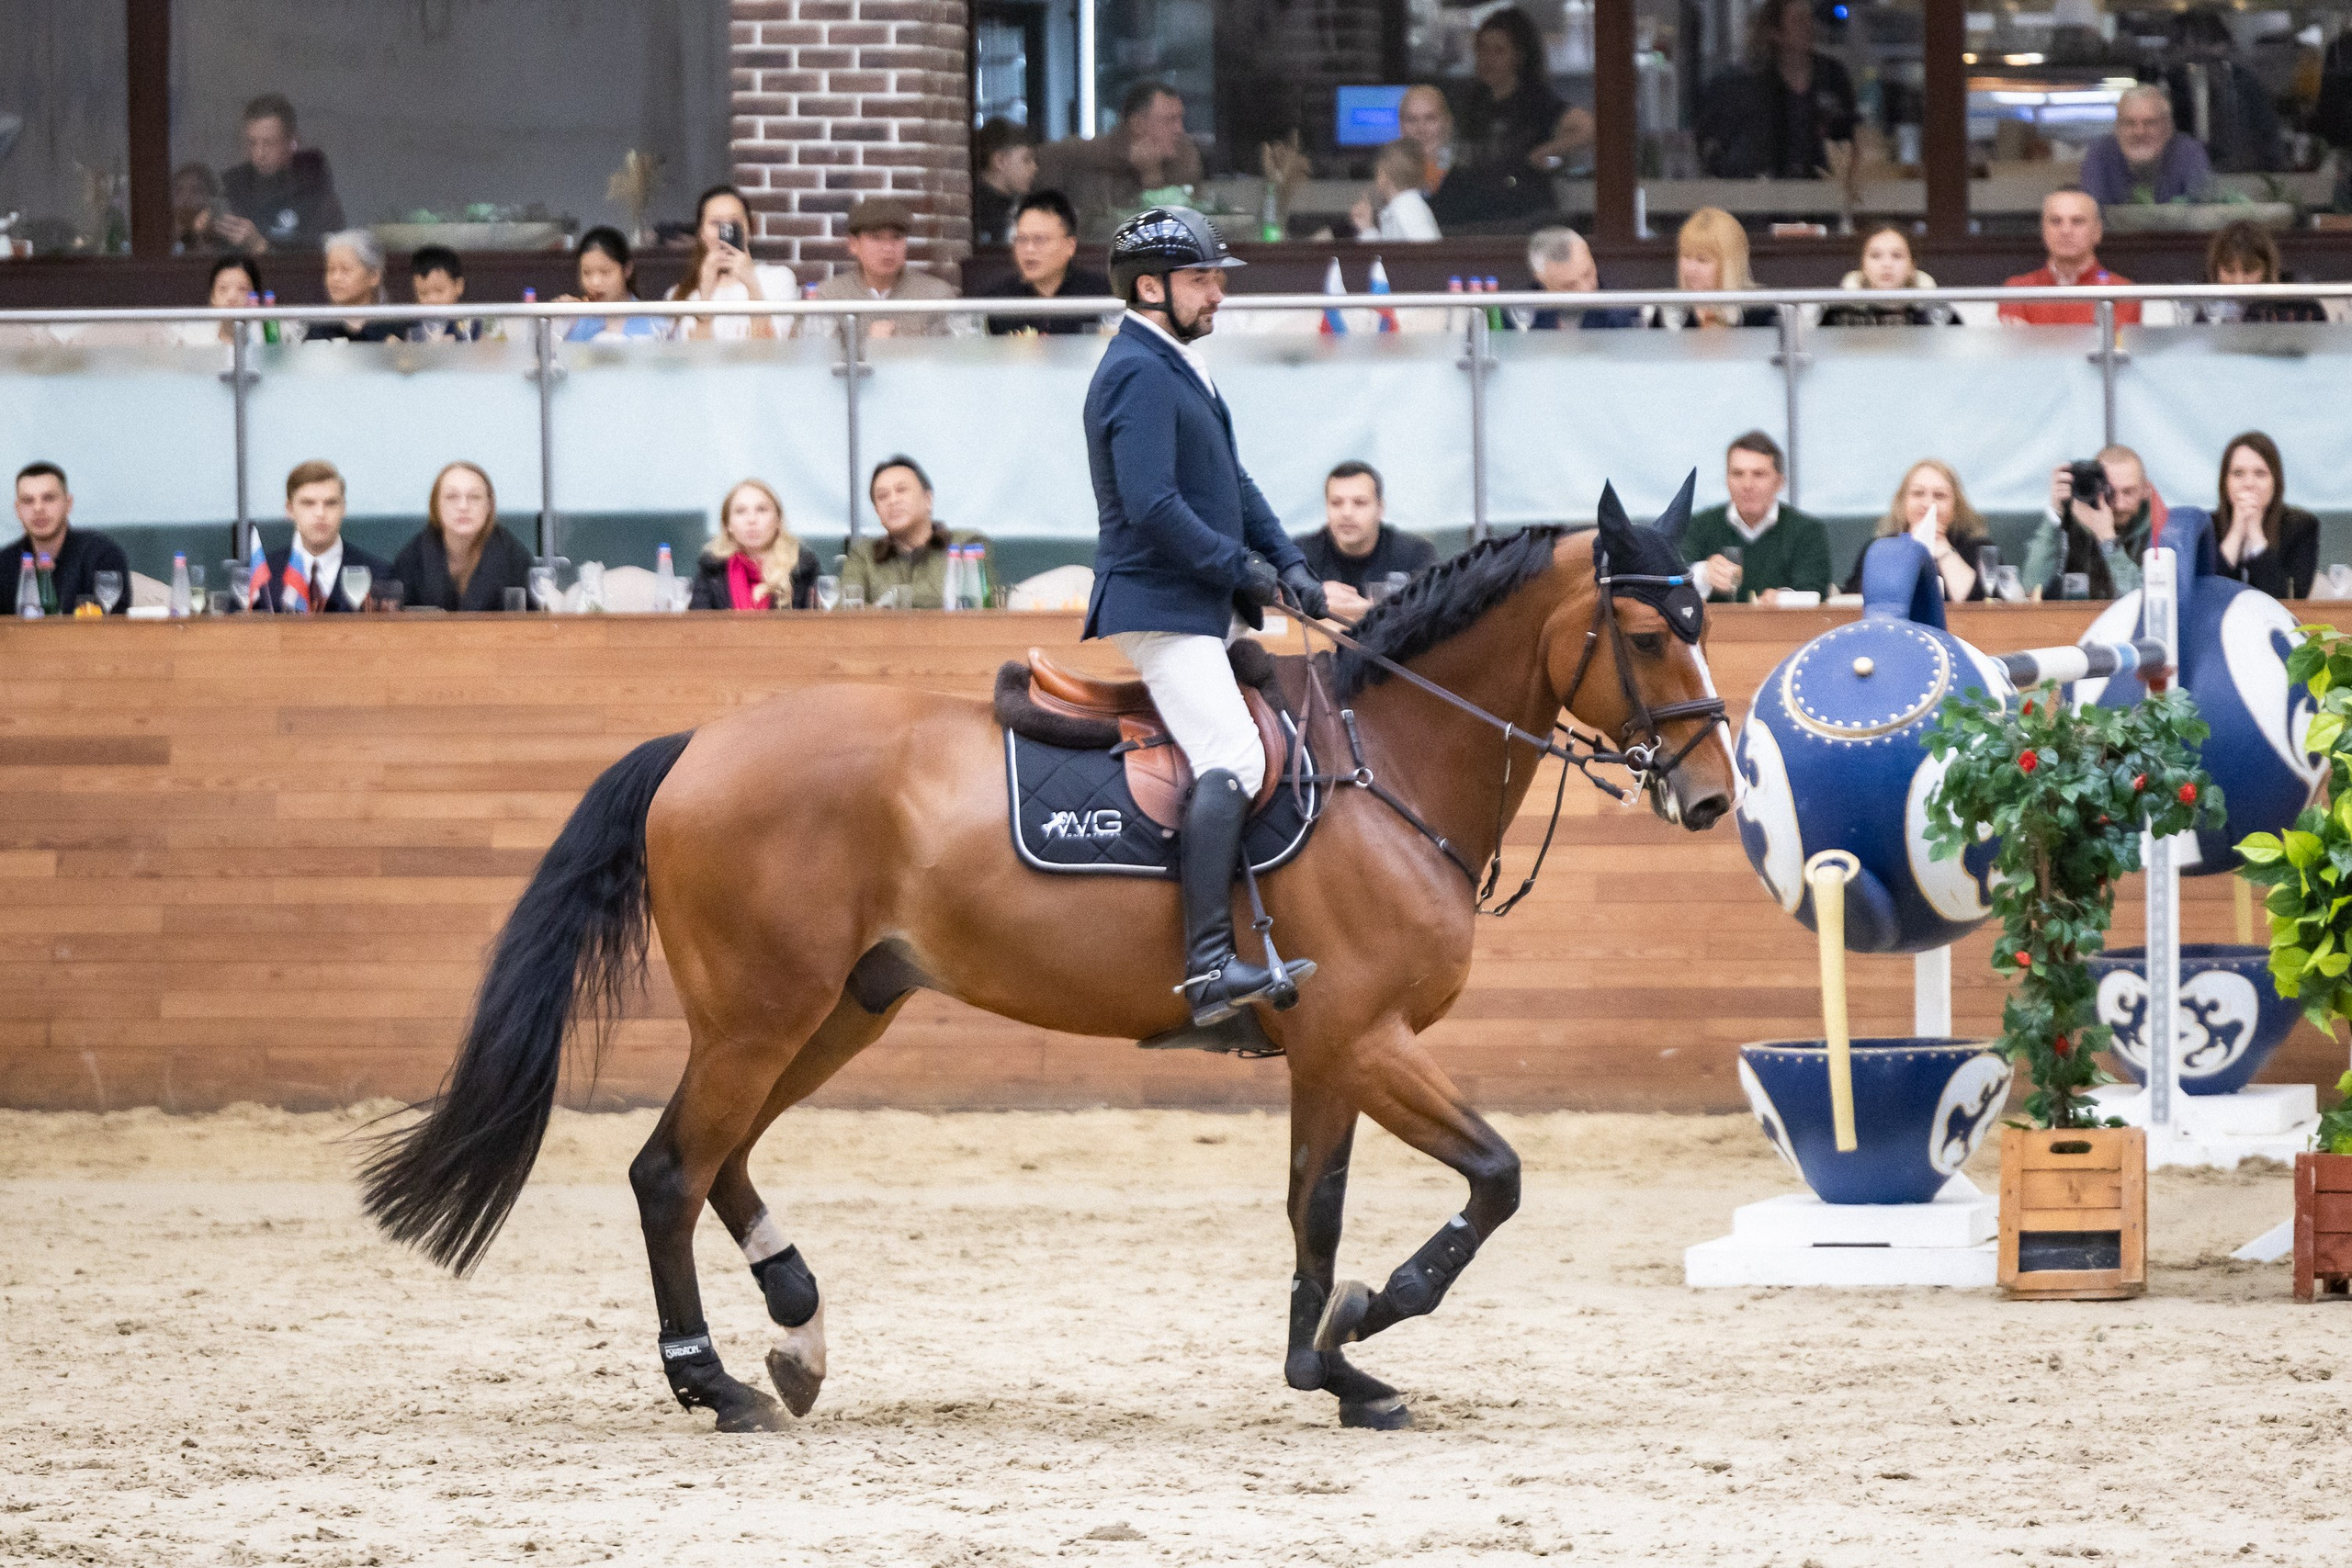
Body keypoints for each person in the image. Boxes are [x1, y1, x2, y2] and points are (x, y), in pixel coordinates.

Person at [1083, 207, 1327, 1027]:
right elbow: (1153, 507)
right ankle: (1209, 965)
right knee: (1232, 750)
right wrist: (1243, 568)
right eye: (1202, 278)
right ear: (1150, 287)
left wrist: (1287, 559)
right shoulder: (1136, 372)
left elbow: (1234, 482)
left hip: (1197, 602)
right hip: (1160, 604)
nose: (1218, 292)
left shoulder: (1179, 362)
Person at [1695, 0, 1858, 180]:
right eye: (1798, 20)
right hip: (1772, 190)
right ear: (1775, 33)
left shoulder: (1833, 77)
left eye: (1810, 18)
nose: (1809, 26)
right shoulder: (1754, 85)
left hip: (1826, 187)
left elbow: (1852, 134)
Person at [1036, 83, 1205, 242]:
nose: (1180, 129)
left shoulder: (1184, 156)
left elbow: (1178, 226)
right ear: (1137, 124)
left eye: (1180, 119)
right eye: (1170, 120)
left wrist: (1151, 175)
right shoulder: (1083, 154)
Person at [1679, 432, 1832, 604]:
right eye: (1737, 474)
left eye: (1759, 474)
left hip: (1784, 628)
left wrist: (1783, 599)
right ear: (1726, 479)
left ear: (1780, 482)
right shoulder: (1698, 526)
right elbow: (1672, 579)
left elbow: (1815, 592)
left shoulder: (1807, 531)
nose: (1747, 485)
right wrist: (1704, 574)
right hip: (1717, 629)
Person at [839, 457, 989, 608]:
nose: (893, 500)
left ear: (928, 500)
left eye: (901, 490)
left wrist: (888, 601)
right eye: (883, 496)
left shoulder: (967, 544)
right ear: (877, 511)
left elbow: (976, 603)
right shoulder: (864, 554)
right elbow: (845, 609)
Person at [1295, 462, 1438, 619]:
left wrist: (1372, 610)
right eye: (1336, 503)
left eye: (1360, 503)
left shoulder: (1415, 554)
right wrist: (1310, 597)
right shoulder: (1299, 555)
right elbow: (1274, 606)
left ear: (1380, 509)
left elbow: (1435, 609)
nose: (1347, 513)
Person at [391, 461, 536, 612]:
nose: (463, 506)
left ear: (489, 506)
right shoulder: (412, 558)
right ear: (435, 505)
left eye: (474, 497)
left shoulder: (515, 558)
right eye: (452, 497)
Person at [213, 95, 345, 254]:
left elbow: (320, 264)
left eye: (268, 143)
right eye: (252, 143)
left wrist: (261, 247)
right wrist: (203, 234)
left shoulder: (317, 197)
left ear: (292, 144)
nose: (259, 153)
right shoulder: (233, 188)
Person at [2021, 445, 2157, 600]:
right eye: (2109, 492)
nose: (2119, 504)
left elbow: (2144, 600)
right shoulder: (2071, 520)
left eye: (2128, 492)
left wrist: (2107, 540)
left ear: (2146, 490)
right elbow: (2032, 590)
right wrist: (2055, 514)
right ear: (2096, 486)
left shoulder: (2160, 531)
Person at [256, 460, 394, 613]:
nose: (320, 513)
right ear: (290, 510)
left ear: (343, 508)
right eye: (308, 503)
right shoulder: (261, 576)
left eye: (330, 503)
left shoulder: (379, 576)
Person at [1842, 459, 1991, 601]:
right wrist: (1912, 548)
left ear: (1955, 506)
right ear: (1903, 502)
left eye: (1939, 496)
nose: (1928, 504)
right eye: (1918, 493)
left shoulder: (1980, 548)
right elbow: (1856, 603)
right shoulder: (1879, 548)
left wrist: (1943, 549)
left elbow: (1979, 603)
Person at [809, 199, 958, 338]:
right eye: (876, 238)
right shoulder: (830, 295)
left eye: (897, 237)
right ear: (853, 244)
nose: (888, 248)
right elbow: (819, 358)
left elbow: (951, 357)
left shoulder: (935, 295)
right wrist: (870, 346)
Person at [668, 185, 797, 341]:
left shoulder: (779, 278)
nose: (726, 231)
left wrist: (752, 286)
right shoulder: (680, 294)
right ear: (701, 232)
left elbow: (771, 351)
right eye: (716, 223)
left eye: (734, 222)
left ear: (749, 228)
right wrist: (705, 296)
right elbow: (696, 359)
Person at [975, 190, 1111, 335]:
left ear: (1070, 246)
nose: (1029, 249)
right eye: (1021, 239)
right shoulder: (999, 302)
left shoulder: (1102, 296)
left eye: (1040, 240)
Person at [1999, 189, 2140, 326]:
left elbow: (2113, 347)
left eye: (2077, 221)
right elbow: (2017, 348)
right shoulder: (2017, 290)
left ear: (2097, 231)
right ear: (2043, 231)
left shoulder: (2122, 292)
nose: (2065, 231)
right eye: (2055, 221)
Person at [6, 463, 130, 616]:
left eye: (48, 498)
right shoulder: (4, 563)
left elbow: (115, 625)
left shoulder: (102, 555)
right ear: (18, 510)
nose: (38, 508)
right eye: (28, 500)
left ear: (68, 504)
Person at [2213, 432, 2317, 599]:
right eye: (2238, 473)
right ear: (2225, 482)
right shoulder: (2206, 526)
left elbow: (2293, 598)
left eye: (2260, 474)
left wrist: (2255, 535)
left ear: (2275, 481)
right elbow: (2208, 594)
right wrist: (2237, 531)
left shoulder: (2301, 526)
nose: (2249, 484)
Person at [689, 479, 820, 611]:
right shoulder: (712, 571)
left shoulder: (803, 570)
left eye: (761, 510)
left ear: (778, 521)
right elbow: (695, 628)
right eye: (740, 511)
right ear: (728, 525)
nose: (752, 520)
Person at [2081, 85, 2213, 207]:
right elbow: (2092, 211)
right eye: (2129, 123)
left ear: (2167, 127)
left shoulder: (2189, 152)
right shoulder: (2100, 152)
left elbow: (2202, 208)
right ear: (2117, 127)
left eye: (2149, 123)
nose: (2139, 132)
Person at [1647, 209, 1775, 330]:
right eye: (1686, 256)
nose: (1691, 268)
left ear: (1729, 264)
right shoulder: (1667, 311)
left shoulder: (1761, 311)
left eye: (1702, 260)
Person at [2187, 220, 2326, 323]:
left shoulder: (2297, 305)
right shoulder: (2205, 309)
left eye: (2249, 271)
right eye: (2229, 271)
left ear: (2268, 269)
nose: (2239, 282)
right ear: (2215, 270)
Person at [1819, 224, 1956, 326]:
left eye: (1897, 256)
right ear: (1863, 265)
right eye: (1876, 256)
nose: (1887, 264)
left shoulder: (1934, 311)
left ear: (1912, 265)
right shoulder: (1838, 311)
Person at [1515, 226, 1638, 328]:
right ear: (1541, 279)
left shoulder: (1623, 310)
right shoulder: (1519, 315)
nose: (1585, 289)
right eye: (1569, 285)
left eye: (1587, 274)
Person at [560, 228, 666, 342]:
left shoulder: (655, 323)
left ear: (627, 270)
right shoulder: (572, 321)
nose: (595, 282)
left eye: (605, 272)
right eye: (587, 273)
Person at [305, 230, 401, 343]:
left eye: (345, 270)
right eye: (331, 270)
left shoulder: (394, 325)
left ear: (374, 276)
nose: (336, 278)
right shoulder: (320, 327)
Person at [1349, 140, 1442, 243]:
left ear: (1383, 175)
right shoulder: (1406, 206)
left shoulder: (1407, 208)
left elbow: (1427, 250)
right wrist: (1367, 229)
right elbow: (1389, 254)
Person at [971, 118, 1037, 247]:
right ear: (1000, 161)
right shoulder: (980, 215)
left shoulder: (1016, 205)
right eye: (1027, 159)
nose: (1034, 168)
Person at [407, 246, 491, 343]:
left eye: (439, 291)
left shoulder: (473, 322)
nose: (432, 299)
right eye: (423, 293)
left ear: (459, 286)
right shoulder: (412, 325)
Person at [172, 163, 224, 255]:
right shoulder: (163, 235)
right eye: (179, 190)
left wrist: (200, 236)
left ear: (209, 198)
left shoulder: (222, 236)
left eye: (196, 191)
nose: (186, 197)